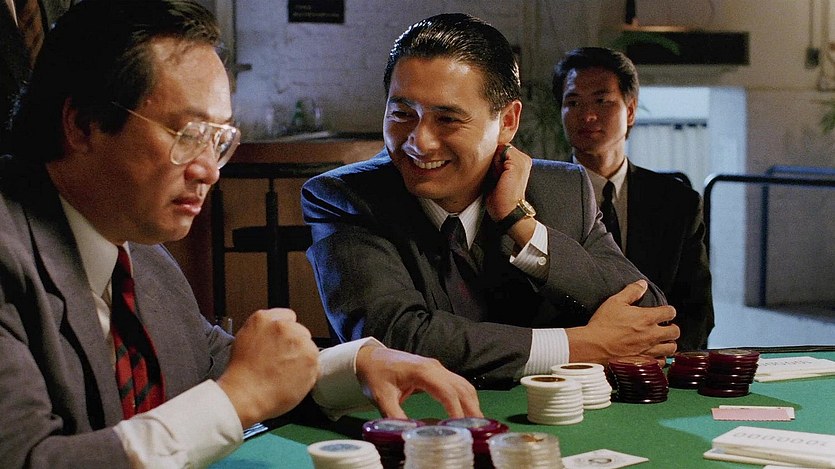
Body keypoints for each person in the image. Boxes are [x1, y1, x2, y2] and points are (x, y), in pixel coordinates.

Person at [0, 2, 481, 467]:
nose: (209, 170)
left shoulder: (140, 253)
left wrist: (355, 367)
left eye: (218, 140)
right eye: (187, 134)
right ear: (83, 126)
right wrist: (236, 400)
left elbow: (212, 360)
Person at [302, 13, 680, 387]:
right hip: (417, 419)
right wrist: (578, 346)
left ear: (508, 122)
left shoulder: (561, 190)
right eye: (402, 114)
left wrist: (521, 224)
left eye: (447, 119)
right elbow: (397, 338)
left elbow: (651, 316)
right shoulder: (345, 197)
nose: (420, 142)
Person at [552, 47, 714, 350]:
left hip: (656, 362)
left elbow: (697, 310)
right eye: (572, 102)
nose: (587, 115)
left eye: (602, 101)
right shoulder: (537, 195)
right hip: (571, 362)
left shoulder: (678, 202)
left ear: (630, 110)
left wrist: (658, 355)